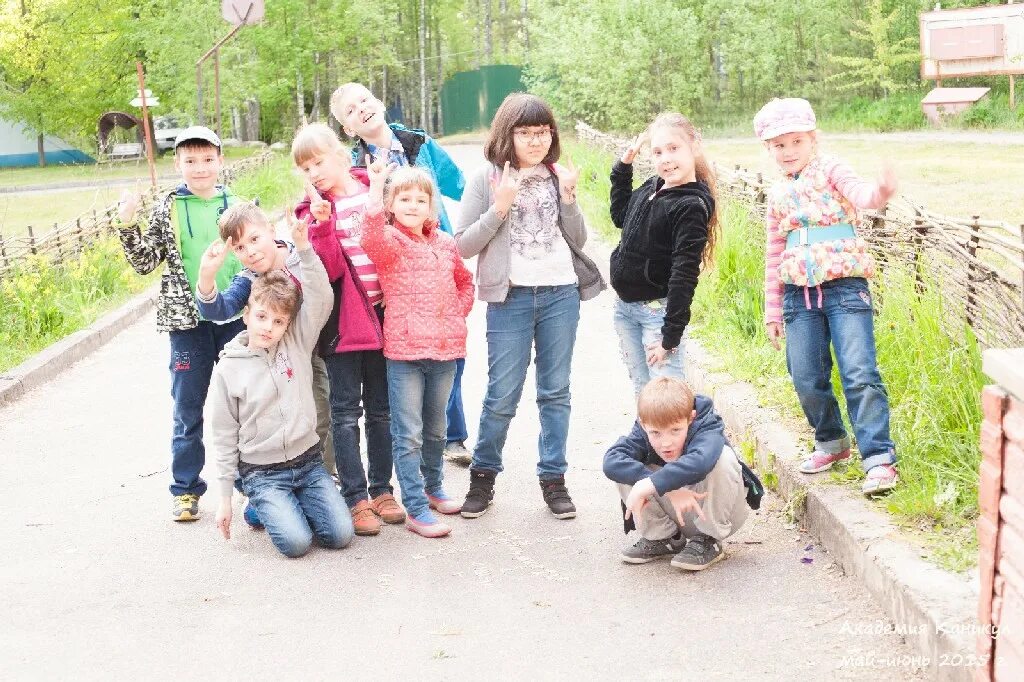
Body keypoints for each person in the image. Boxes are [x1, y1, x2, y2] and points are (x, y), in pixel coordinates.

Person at [454, 92, 605, 520]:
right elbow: (463, 244)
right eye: (526, 133)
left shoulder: (557, 174)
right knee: (502, 394)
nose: (536, 141)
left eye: (543, 132)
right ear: (509, 134)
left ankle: (554, 479)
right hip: (511, 297)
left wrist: (571, 198)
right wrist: (499, 209)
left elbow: (579, 239)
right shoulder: (486, 178)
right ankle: (483, 477)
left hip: (560, 293)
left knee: (555, 392)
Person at [754, 97, 899, 495]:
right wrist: (773, 310)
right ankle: (832, 442)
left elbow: (862, 194)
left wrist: (881, 190)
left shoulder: (831, 168)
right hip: (798, 298)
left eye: (796, 142)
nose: (788, 152)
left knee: (859, 373)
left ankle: (878, 458)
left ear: (812, 139)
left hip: (845, 290)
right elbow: (773, 254)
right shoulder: (776, 194)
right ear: (768, 149)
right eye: (778, 145)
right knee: (805, 376)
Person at [330, 82, 472, 466]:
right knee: (405, 354)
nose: (361, 109)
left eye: (364, 100)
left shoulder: (417, 143)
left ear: (377, 102)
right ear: (347, 127)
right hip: (391, 266)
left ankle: (452, 435)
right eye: (350, 110)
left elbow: (460, 185)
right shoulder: (354, 165)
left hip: (434, 253)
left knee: (446, 347)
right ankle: (409, 439)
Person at [115, 126, 245, 521]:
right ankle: (186, 489)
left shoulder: (238, 206)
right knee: (188, 407)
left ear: (220, 161)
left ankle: (252, 482)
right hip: (187, 323)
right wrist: (126, 223)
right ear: (178, 164)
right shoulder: (166, 208)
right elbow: (144, 262)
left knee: (245, 404)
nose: (200, 167)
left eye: (207, 159)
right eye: (190, 160)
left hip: (235, 317)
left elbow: (257, 258)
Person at [210, 210, 354, 558]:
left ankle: (297, 499)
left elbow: (320, 298)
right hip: (263, 471)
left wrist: (304, 247)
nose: (268, 327)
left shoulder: (297, 343)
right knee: (297, 543)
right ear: (246, 314)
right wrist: (225, 498)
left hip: (307, 464)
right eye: (261, 317)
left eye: (278, 321)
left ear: (289, 323)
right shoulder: (229, 368)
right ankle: (264, 500)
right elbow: (224, 435)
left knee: (339, 536)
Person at [292, 122, 405, 537]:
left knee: (381, 411)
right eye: (305, 169)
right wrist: (321, 226)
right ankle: (355, 496)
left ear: (341, 155)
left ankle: (382, 490)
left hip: (385, 318)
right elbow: (329, 272)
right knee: (344, 413)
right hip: (342, 326)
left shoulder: (376, 189)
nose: (314, 174)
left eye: (319, 162)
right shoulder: (311, 213)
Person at [360, 159, 475, 538]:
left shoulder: (444, 243)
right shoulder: (390, 243)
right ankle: (415, 507)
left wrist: (457, 314)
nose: (412, 205)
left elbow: (464, 282)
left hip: (445, 350)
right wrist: (377, 185)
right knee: (407, 433)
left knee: (437, 430)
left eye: (420, 199)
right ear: (392, 205)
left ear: (432, 206)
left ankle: (433, 486)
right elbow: (370, 235)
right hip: (405, 353)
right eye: (403, 198)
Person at [193, 201, 337, 489]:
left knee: (323, 414)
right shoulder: (248, 279)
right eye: (240, 248)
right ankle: (264, 483)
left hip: (315, 352)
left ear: (271, 230)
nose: (251, 252)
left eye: (255, 239)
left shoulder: (299, 255)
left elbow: (327, 288)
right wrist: (206, 277)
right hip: (274, 363)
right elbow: (220, 309)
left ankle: (324, 478)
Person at [603, 377, 761, 571]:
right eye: (656, 433)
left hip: (720, 511)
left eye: (675, 430)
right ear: (644, 425)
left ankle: (709, 540)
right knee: (626, 468)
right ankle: (664, 538)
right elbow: (612, 461)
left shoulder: (707, 424)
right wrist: (668, 489)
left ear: (691, 418)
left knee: (723, 456)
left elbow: (701, 461)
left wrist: (650, 484)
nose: (666, 442)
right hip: (677, 510)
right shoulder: (643, 431)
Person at [609, 113, 718, 396]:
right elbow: (621, 217)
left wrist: (670, 338)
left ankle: (685, 440)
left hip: (656, 313)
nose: (665, 159)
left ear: (693, 145)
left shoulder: (690, 205)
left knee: (666, 398)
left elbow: (684, 274)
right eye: (657, 152)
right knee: (643, 391)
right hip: (625, 308)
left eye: (673, 149)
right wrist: (623, 169)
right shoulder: (652, 186)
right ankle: (650, 441)